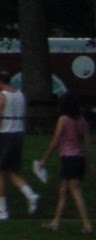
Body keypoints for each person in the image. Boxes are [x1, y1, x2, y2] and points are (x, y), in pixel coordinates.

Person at [0, 70, 42, 221]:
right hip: (18, 135)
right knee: (12, 171)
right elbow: (25, 117)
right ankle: (31, 195)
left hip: (5, 135)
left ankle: (2, 208)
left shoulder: (0, 96)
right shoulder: (20, 95)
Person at [38, 92, 93, 232]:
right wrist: (90, 163)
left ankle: (87, 224)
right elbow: (86, 145)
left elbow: (55, 141)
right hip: (79, 159)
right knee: (63, 191)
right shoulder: (82, 121)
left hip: (68, 158)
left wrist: (44, 158)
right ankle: (55, 222)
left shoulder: (63, 119)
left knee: (75, 191)